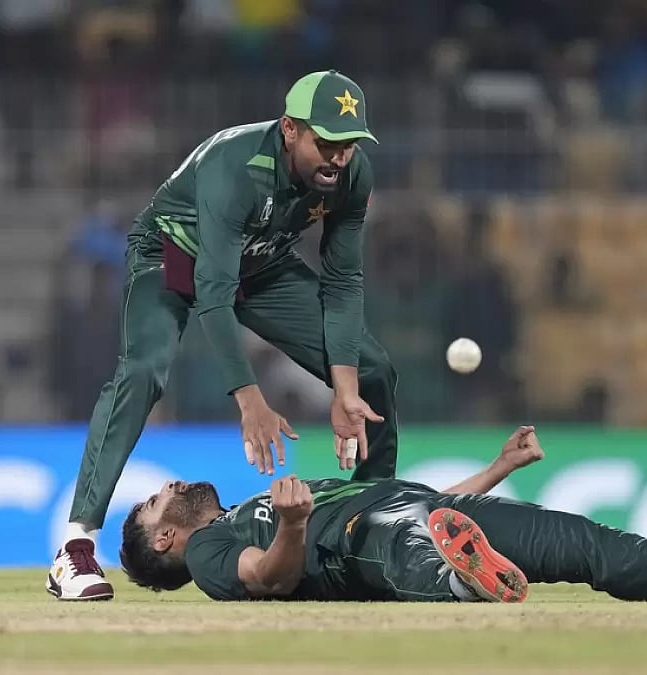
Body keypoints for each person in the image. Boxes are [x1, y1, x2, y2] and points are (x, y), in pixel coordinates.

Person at [47, 70, 398, 601]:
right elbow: (212, 292)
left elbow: (343, 280)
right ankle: (75, 548)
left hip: (261, 262)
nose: (338, 158)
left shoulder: (353, 174)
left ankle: (378, 521)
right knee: (142, 372)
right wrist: (250, 401)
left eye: (348, 144)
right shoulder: (235, 167)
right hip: (172, 253)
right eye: (326, 143)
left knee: (372, 369)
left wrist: (345, 389)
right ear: (289, 130)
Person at [119, 427, 647, 604]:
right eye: (156, 500)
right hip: (360, 544)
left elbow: (430, 511)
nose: (170, 484)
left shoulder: (248, 504)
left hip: (434, 511)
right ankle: (461, 581)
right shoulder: (211, 552)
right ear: (166, 538)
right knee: (403, 541)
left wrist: (497, 469)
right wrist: (289, 528)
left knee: (589, 543)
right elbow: (268, 578)